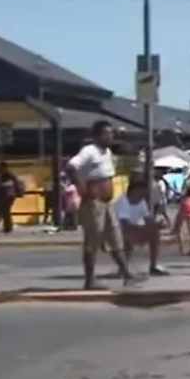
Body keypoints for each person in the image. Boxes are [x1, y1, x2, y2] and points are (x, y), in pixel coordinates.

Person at [65, 120, 137, 290]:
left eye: (111, 133)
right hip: (93, 203)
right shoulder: (89, 151)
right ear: (97, 136)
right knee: (93, 241)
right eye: (106, 134)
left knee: (115, 238)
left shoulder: (107, 153)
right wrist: (83, 190)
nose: (110, 137)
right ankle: (89, 280)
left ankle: (126, 273)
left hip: (107, 202)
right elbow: (71, 167)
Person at [115, 174, 168, 275]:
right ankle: (123, 267)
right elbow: (125, 224)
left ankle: (153, 266)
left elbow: (148, 220)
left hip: (135, 230)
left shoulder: (141, 202)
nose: (144, 195)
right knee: (129, 235)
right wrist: (144, 228)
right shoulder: (123, 201)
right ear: (135, 191)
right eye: (143, 192)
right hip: (120, 232)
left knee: (154, 233)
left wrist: (156, 225)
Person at [0, 162, 21, 234]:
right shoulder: (8, 175)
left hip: (7, 195)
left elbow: (7, 184)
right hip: (8, 195)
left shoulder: (7, 175)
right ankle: (7, 226)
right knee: (5, 211)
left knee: (5, 211)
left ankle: (8, 227)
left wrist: (0, 184)